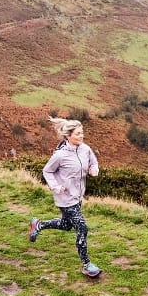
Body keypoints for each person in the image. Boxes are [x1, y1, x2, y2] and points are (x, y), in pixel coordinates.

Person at [28, 117, 102, 277]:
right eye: (77, 134)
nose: (81, 136)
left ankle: (39, 225)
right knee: (82, 227)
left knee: (66, 225)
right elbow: (47, 171)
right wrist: (55, 186)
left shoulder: (85, 149)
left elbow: (93, 162)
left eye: (82, 133)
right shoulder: (60, 155)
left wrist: (94, 169)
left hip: (77, 196)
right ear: (68, 136)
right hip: (65, 199)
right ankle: (87, 265)